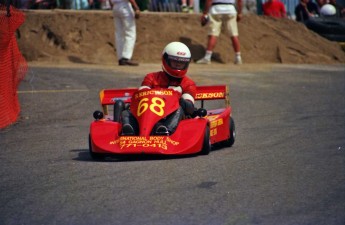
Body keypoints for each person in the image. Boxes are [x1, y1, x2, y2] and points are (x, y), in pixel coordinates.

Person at [121, 42, 197, 135]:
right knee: (127, 112)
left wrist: (179, 98)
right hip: (147, 115)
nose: (177, 65)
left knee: (179, 109)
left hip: (171, 117)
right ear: (165, 60)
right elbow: (141, 94)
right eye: (174, 62)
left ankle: (165, 130)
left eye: (181, 63)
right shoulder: (151, 77)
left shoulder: (188, 83)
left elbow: (189, 109)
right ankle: (129, 129)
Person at [196, 0, 243, 65]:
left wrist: (205, 13)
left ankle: (207, 57)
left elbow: (209, 0)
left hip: (216, 9)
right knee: (234, 34)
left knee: (213, 34)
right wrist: (240, 13)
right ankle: (238, 57)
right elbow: (239, 1)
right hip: (230, 9)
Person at [109, 0, 140, 66]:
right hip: (124, 6)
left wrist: (112, 5)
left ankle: (120, 58)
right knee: (130, 33)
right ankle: (126, 57)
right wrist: (136, 7)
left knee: (119, 34)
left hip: (115, 6)